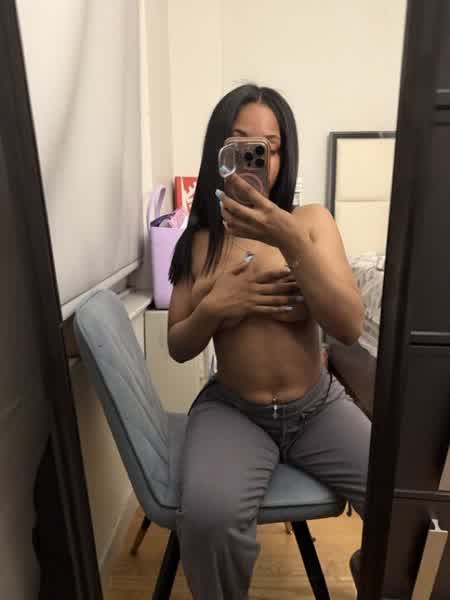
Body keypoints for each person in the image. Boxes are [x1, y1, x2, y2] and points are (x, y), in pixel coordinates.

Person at [168, 84, 370, 599]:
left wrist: (289, 240)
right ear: (219, 153)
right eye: (241, 143)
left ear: (284, 157)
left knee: (402, 494)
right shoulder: (200, 241)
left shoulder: (311, 223)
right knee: (209, 519)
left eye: (270, 148)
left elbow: (349, 326)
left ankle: (377, 572)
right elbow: (178, 345)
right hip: (234, 410)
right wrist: (216, 307)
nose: (257, 159)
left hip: (318, 407)